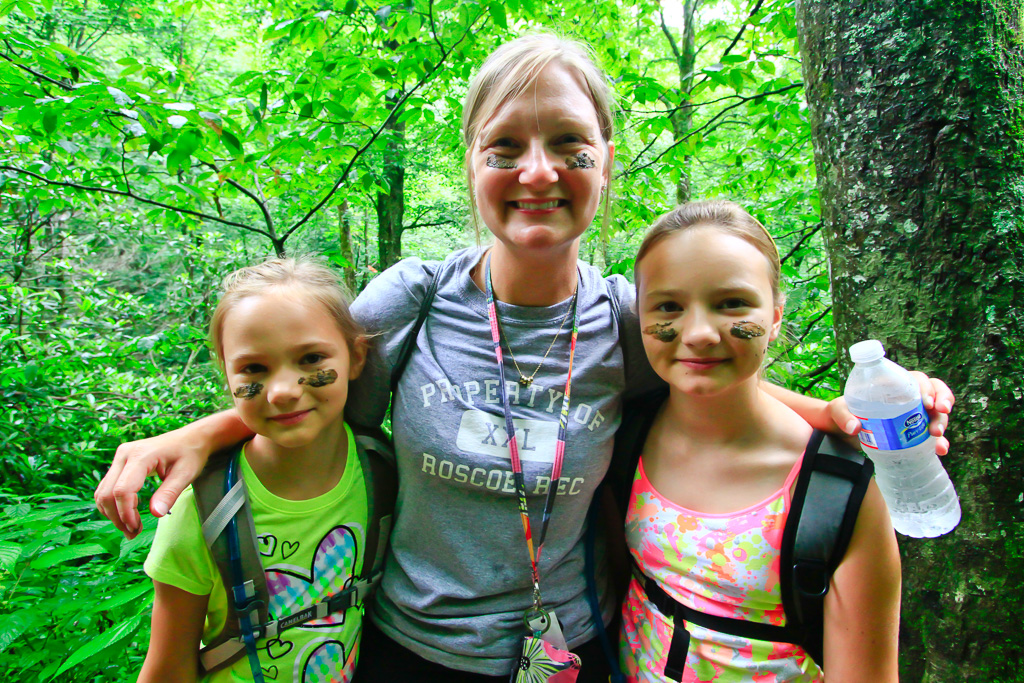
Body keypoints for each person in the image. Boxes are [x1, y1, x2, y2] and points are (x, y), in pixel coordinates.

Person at [98, 35, 951, 682]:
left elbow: (717, 372)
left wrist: (840, 410)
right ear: (472, 164)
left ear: (605, 160)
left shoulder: (626, 316)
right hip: (410, 648)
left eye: (569, 144)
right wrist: (202, 433)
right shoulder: (414, 298)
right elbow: (304, 394)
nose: (536, 172)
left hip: (576, 648)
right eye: (503, 147)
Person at [620, 201, 900, 682]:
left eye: (731, 302)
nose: (700, 334)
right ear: (637, 318)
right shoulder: (629, 430)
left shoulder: (837, 491)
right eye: (668, 306)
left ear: (775, 316)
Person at [137, 258, 369, 683]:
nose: (282, 392)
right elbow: (168, 667)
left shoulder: (380, 473)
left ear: (356, 357)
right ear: (227, 375)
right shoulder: (202, 511)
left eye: (311, 358)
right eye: (253, 369)